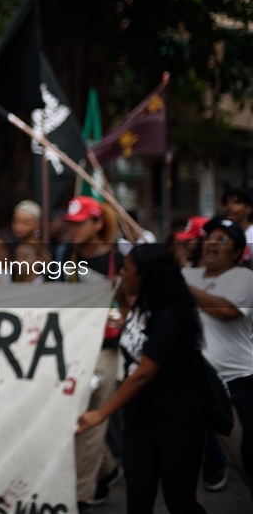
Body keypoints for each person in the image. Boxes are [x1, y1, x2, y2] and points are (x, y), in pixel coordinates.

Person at [77, 244, 208, 514]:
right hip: (140, 421)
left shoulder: (171, 314)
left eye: (127, 269)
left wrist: (102, 414)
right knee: (138, 502)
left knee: (179, 502)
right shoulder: (142, 304)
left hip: (177, 420)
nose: (122, 273)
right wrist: (118, 291)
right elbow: (125, 319)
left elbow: (143, 373)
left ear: (145, 274)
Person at [57, 195, 124, 513]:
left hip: (103, 351)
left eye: (80, 223)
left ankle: (82, 496)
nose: (73, 230)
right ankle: (107, 469)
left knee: (91, 421)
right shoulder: (62, 257)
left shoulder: (120, 260)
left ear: (98, 223)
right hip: (70, 349)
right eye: (70, 224)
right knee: (69, 418)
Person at [183, 217, 253, 495]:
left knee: (245, 459)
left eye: (222, 240)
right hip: (191, 382)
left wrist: (182, 285)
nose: (212, 242)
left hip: (234, 381)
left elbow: (226, 312)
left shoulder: (244, 278)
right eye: (210, 237)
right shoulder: (187, 274)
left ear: (237, 252)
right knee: (179, 462)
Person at [221, 188, 253, 268]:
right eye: (226, 203)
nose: (229, 207)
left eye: (236, 202)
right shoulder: (220, 235)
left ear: (248, 209)